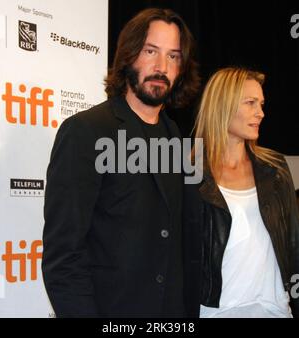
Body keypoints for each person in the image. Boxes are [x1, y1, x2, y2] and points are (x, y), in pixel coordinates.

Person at [42, 8, 200, 318]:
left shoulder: (180, 141)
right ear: (128, 55)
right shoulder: (86, 132)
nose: (161, 66)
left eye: (173, 56)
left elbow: (184, 246)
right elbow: (63, 257)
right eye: (150, 51)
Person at [184, 67, 299, 318]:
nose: (261, 112)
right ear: (222, 105)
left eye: (261, 103)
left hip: (274, 310)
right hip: (215, 312)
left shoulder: (276, 169)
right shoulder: (188, 172)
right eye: (250, 103)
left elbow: (293, 240)